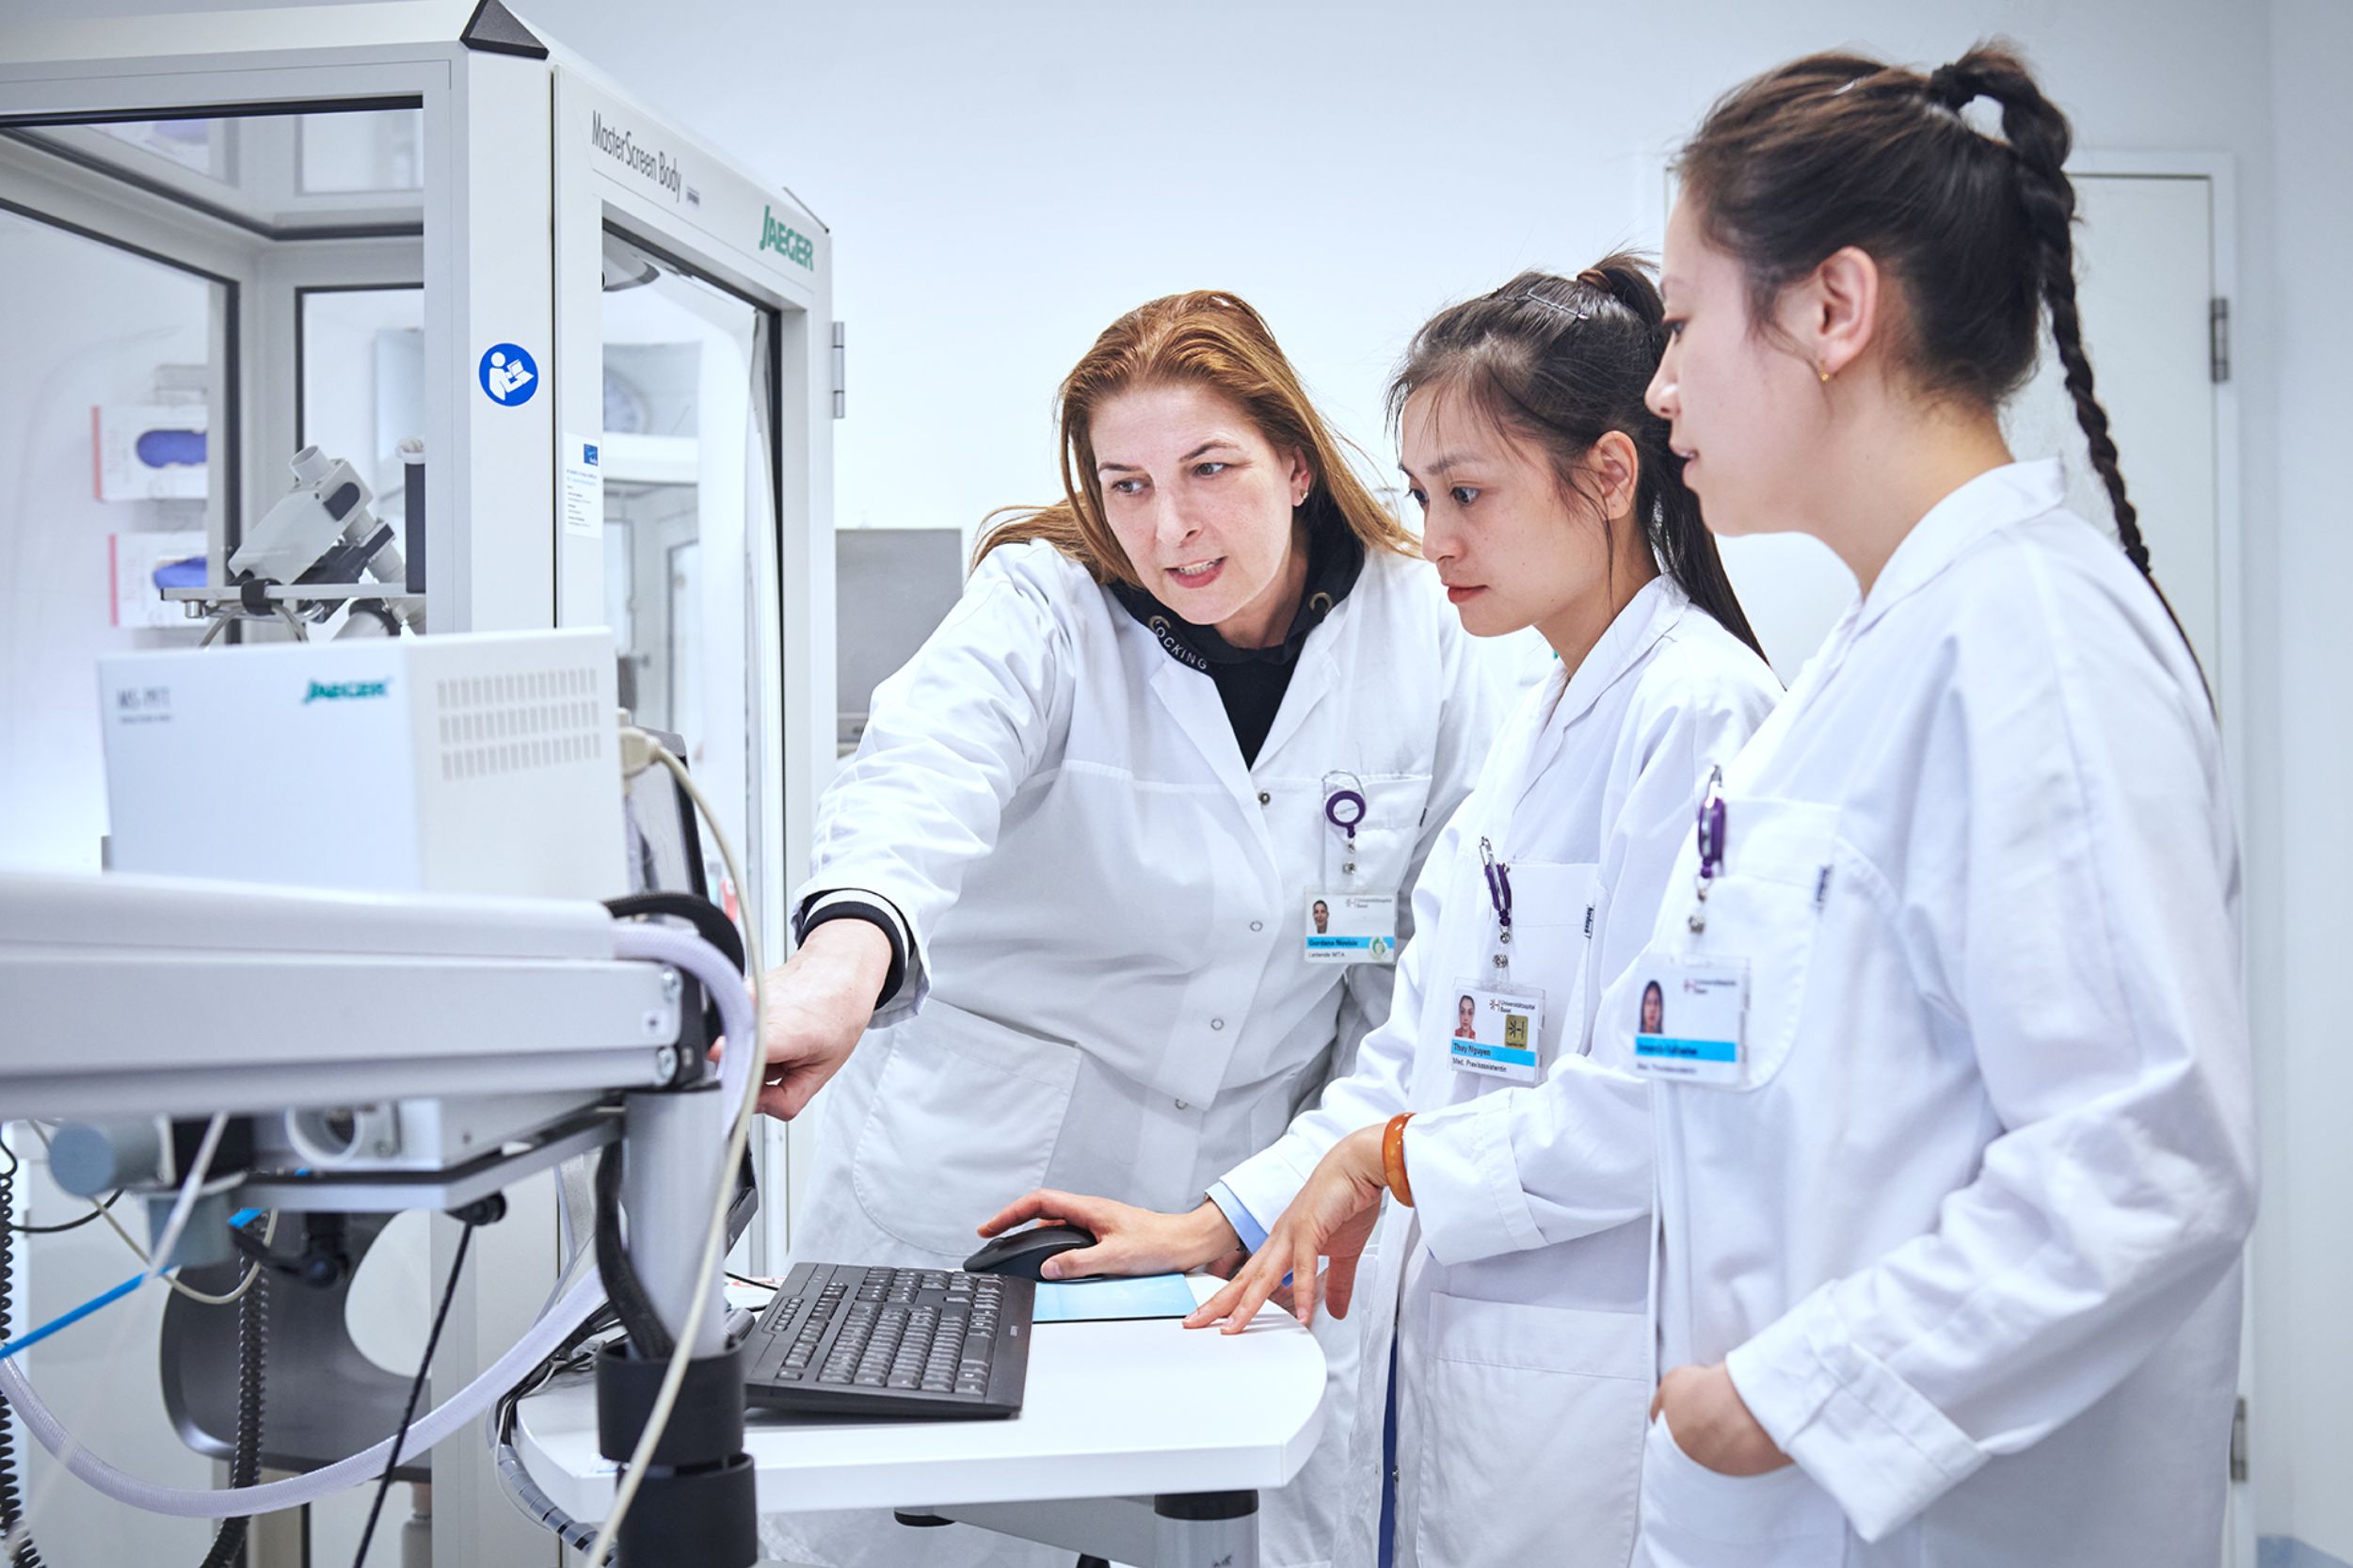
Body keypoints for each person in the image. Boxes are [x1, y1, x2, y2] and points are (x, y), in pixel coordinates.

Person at [984, 256, 1781, 1568]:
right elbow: (1415, 1060)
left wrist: (1397, 1164)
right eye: (1422, 495)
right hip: (1460, 1362)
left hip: (1582, 1384)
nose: (1435, 535)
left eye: (1469, 492)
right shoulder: (1538, 722)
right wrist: (1222, 1220)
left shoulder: (1697, 713)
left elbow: (1664, 1104)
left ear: (1610, 477)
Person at [754, 289, 1506, 1568]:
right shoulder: (1043, 607)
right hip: (964, 1214)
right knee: (910, 1542)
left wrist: (1286, 1190)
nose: (1171, 525)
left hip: (1227, 1227)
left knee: (1185, 1536)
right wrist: (841, 960)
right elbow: (920, 775)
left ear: (1295, 462)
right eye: (1128, 484)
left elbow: (1406, 996)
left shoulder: (1416, 634)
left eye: (1209, 469)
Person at [1623, 44, 2250, 1567]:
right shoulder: (1891, 648)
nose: (1659, 384)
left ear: (1835, 308)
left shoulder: (2029, 641)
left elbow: (2147, 1158)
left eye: (1688, 319)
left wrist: (1785, 1395)